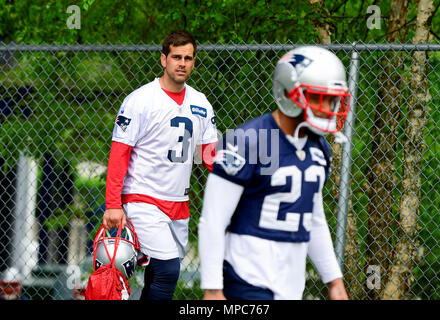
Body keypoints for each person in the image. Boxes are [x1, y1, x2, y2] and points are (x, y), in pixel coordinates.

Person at [198, 46, 350, 300]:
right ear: (288, 93)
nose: (328, 108)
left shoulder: (320, 149)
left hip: (290, 283)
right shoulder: (247, 141)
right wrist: (212, 289)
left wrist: (334, 281)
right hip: (246, 277)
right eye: (318, 98)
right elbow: (213, 220)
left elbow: (312, 218)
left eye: (332, 99)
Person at [102, 30, 217, 300]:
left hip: (179, 201)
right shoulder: (140, 100)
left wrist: (243, 178)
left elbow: (209, 155)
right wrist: (112, 204)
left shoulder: (200, 102)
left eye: (188, 58)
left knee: (158, 273)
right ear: (163, 59)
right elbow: (119, 155)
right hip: (143, 198)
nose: (182, 63)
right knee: (168, 269)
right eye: (176, 57)